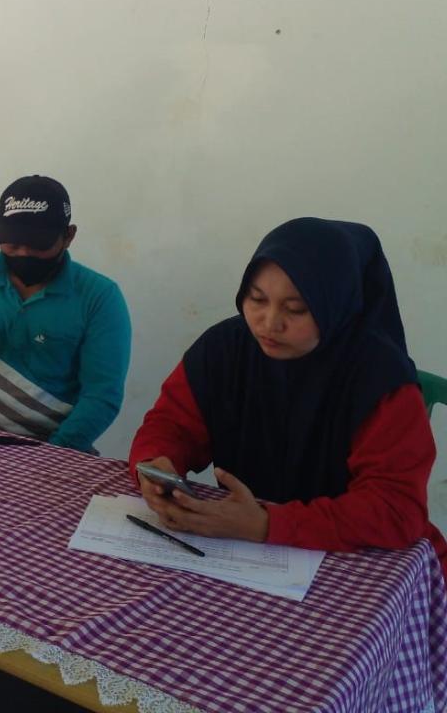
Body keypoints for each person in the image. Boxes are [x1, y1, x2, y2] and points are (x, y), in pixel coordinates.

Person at [130, 217, 447, 580]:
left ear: (334, 306)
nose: (269, 323)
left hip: (376, 564)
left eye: (296, 308)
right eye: (257, 299)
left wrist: (267, 524)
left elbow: (395, 510)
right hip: (250, 550)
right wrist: (155, 467)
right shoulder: (223, 350)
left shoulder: (379, 378)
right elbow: (171, 424)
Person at [0, 175, 131, 453]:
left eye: (39, 245)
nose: (24, 253)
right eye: (13, 244)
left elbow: (102, 397)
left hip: (56, 449)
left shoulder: (99, 297)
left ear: (68, 236)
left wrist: (50, 453)